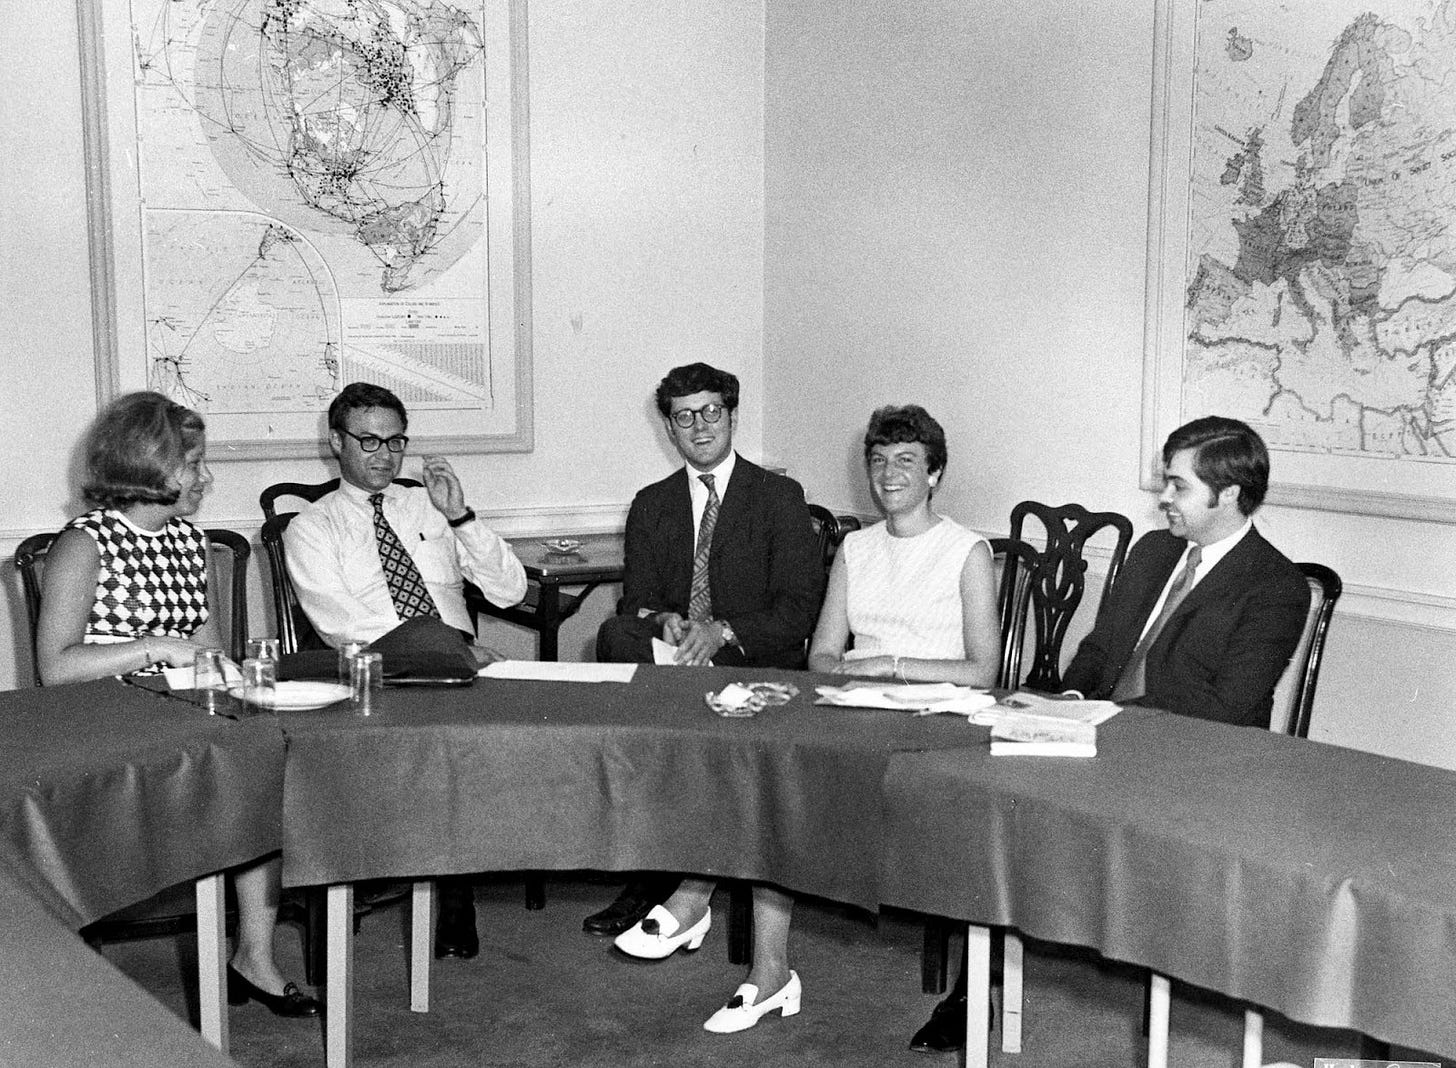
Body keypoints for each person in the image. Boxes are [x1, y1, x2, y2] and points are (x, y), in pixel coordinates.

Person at [908, 414, 1312, 1054]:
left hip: (1187, 763)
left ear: (1229, 494)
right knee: (990, 796)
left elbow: (1229, 708)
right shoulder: (1153, 552)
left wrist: (1105, 720)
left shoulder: (1276, 586)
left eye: (1178, 486)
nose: (1164, 498)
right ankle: (975, 986)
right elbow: (1101, 649)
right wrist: (1066, 702)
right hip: (1097, 735)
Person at [36, 391, 320, 1018]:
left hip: (178, 717)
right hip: (103, 727)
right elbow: (56, 668)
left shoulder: (190, 542)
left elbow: (208, 651)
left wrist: (244, 681)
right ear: (147, 466)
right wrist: (157, 647)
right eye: (193, 464)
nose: (206, 478)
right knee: (238, 770)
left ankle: (254, 955)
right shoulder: (84, 544)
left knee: (265, 763)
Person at [589, 363, 824, 1030]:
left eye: (711, 412)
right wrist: (666, 621)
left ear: (733, 416)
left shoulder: (778, 498)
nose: (699, 426)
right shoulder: (652, 503)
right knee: (614, 635)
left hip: (758, 670)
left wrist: (721, 631)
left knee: (730, 754)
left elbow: (797, 613)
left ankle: (691, 894)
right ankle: (691, 897)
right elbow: (635, 604)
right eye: (684, 416)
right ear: (669, 427)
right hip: (681, 671)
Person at [284, 381, 528, 960]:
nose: (385, 455)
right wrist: (440, 648)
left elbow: (511, 590)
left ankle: (453, 882)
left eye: (396, 442)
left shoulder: (428, 506)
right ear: (336, 442)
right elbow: (341, 625)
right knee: (442, 746)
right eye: (369, 441)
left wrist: (460, 516)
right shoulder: (312, 526)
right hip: (380, 672)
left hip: (466, 666)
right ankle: (446, 891)